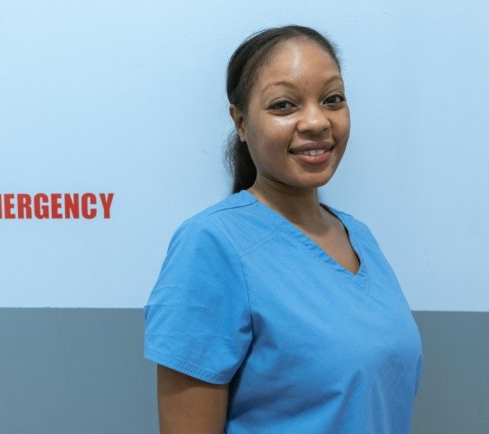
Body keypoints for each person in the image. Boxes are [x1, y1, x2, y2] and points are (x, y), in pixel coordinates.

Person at [143, 25, 423, 434]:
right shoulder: (212, 244)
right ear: (240, 122)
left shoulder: (360, 237)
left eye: (332, 99)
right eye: (284, 105)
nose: (316, 121)